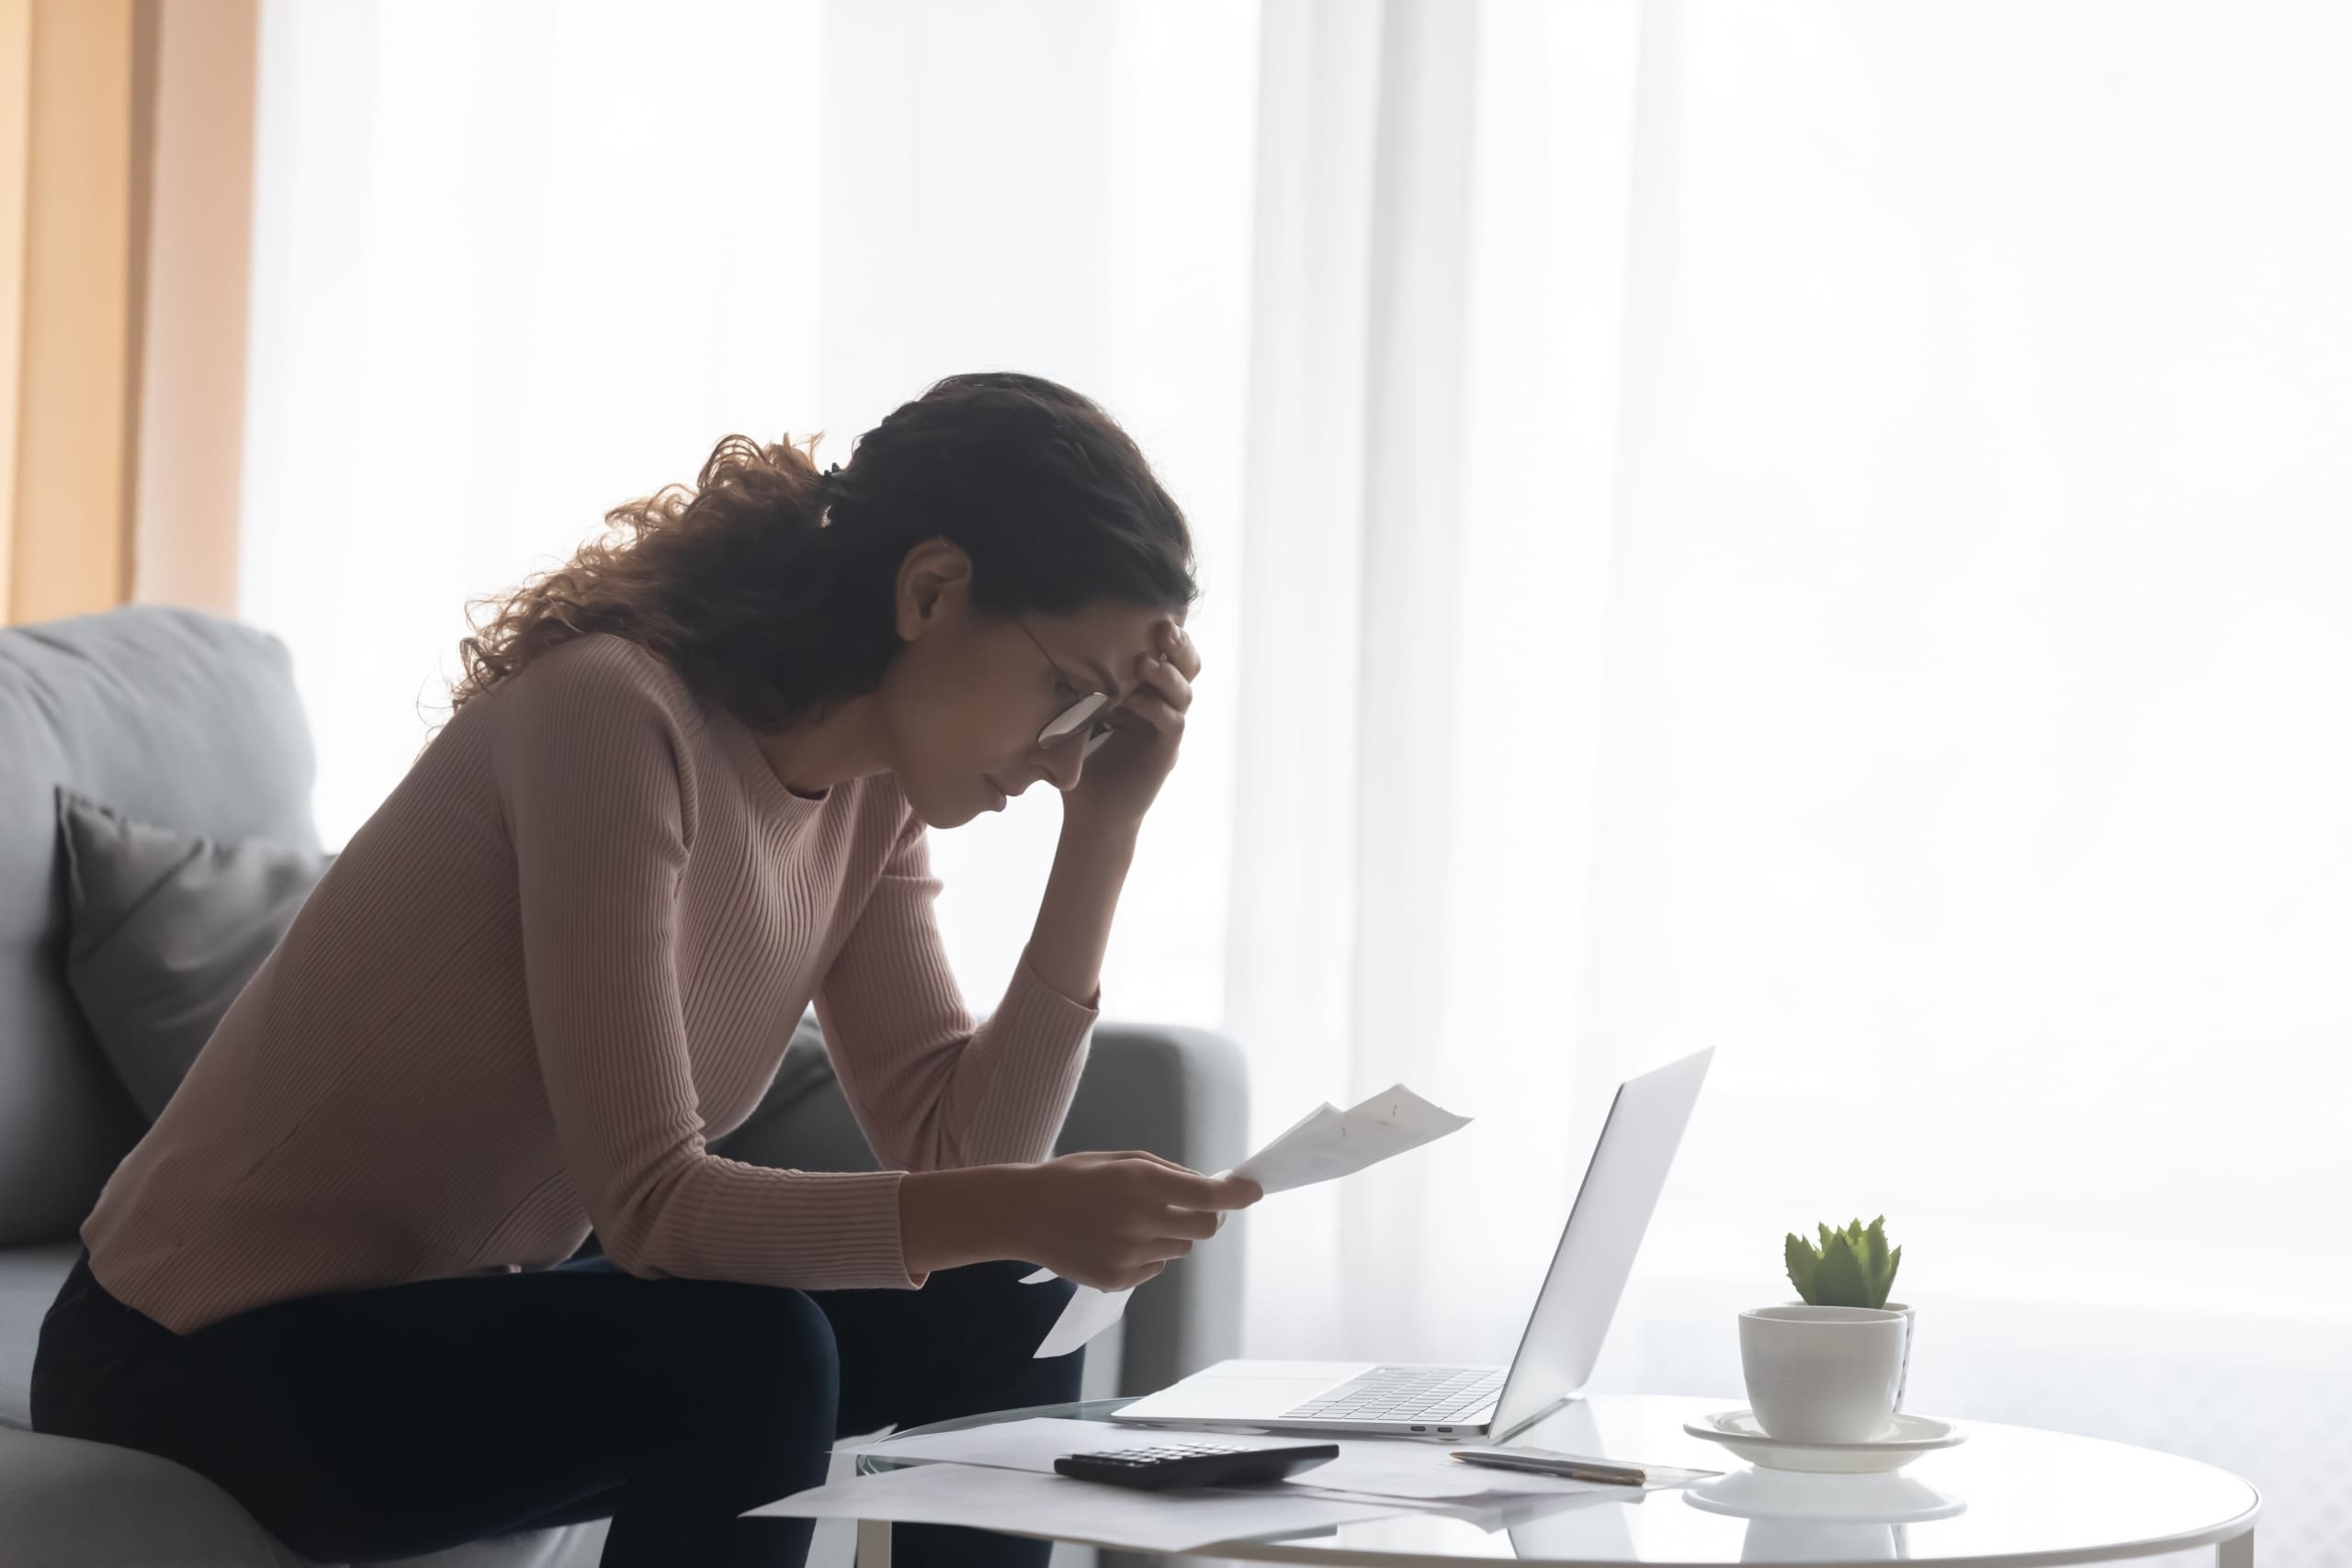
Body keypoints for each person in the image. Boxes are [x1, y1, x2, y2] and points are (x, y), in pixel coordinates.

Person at [29, 370, 1262, 1567]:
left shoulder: (869, 803)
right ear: (931, 591)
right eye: (1065, 696)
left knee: (1013, 1300)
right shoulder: (612, 714)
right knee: (747, 1349)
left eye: (1096, 725)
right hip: (193, 1349)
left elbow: (963, 1167)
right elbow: (654, 1208)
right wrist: (1026, 1207)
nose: (1062, 758)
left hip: (452, 1322)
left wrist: (1105, 832)